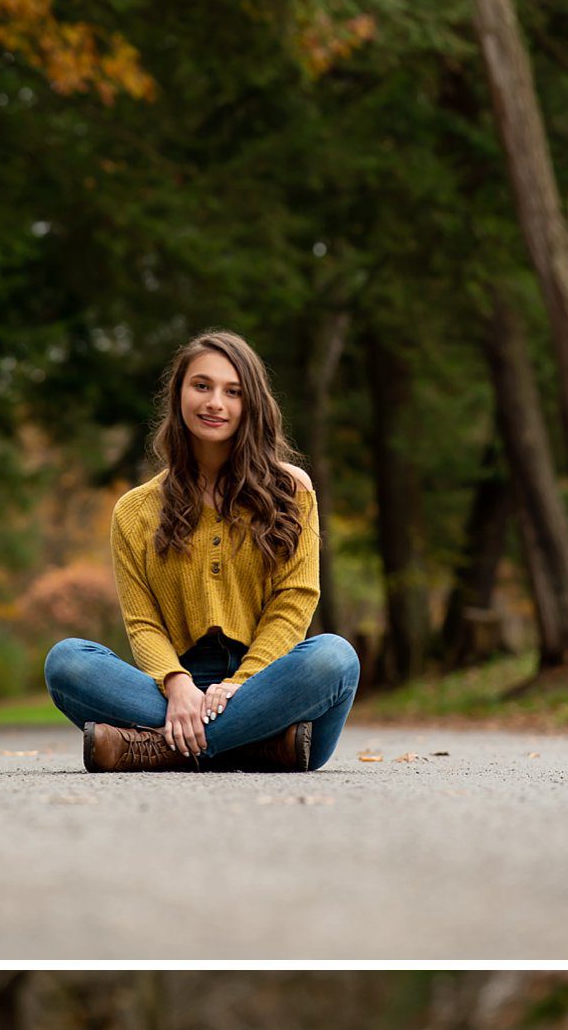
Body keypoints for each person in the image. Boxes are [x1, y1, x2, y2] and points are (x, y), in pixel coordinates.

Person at [43, 328, 360, 772]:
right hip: (172, 691)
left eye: (233, 391)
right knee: (67, 663)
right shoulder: (135, 510)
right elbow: (143, 622)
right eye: (202, 386)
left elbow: (295, 601)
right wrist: (177, 685)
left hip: (268, 684)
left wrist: (242, 683)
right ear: (179, 395)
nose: (215, 403)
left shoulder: (291, 491)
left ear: (251, 404)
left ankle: (160, 748)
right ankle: (256, 745)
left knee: (335, 657)